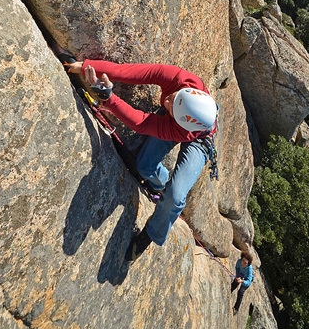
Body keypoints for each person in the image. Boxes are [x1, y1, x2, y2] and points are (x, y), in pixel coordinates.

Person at [61, 55, 218, 260]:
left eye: (171, 106)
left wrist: (110, 99)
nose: (167, 100)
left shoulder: (183, 130)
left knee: (175, 197)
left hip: (199, 139)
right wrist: (86, 67)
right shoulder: (181, 80)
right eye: (174, 97)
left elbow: (142, 123)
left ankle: (152, 233)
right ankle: (160, 185)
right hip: (189, 115)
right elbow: (130, 72)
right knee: (144, 166)